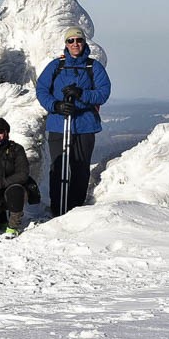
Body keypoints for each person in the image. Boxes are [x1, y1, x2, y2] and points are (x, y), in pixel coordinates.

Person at [35, 26, 111, 217]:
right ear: (66, 44)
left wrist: (82, 94)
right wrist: (56, 105)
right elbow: (42, 90)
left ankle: (75, 210)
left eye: (79, 40)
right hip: (59, 124)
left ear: (84, 43)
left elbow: (103, 93)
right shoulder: (56, 66)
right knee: (59, 167)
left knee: (80, 167)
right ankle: (57, 208)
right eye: (71, 41)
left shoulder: (93, 67)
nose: (75, 44)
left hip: (85, 124)